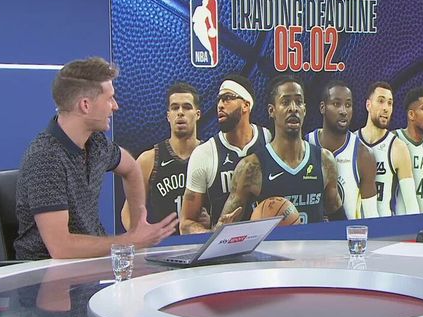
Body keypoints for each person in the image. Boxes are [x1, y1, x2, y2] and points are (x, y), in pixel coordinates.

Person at [15, 57, 178, 260]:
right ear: (85, 105)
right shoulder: (46, 158)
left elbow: (131, 168)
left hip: (91, 264)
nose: (115, 106)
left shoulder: (96, 142)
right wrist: (132, 241)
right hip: (44, 271)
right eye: (109, 99)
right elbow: (61, 248)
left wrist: (138, 225)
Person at [216, 75, 343, 226]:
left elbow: (339, 218)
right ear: (272, 111)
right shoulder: (251, 167)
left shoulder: (325, 161)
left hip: (313, 242)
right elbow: (224, 226)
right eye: (285, 102)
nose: (293, 108)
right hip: (271, 242)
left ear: (304, 110)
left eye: (298, 102)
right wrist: (221, 227)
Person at [180, 74, 271, 233]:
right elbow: (186, 224)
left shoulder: (269, 139)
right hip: (227, 245)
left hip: (269, 240)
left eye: (227, 98)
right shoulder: (204, 154)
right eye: (219, 100)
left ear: (246, 105)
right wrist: (213, 234)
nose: (220, 105)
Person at [120, 82, 204, 235]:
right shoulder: (149, 159)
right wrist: (144, 235)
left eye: (187, 107)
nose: (180, 113)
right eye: (175, 108)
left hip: (203, 241)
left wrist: (213, 222)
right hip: (165, 245)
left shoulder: (211, 154)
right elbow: (129, 212)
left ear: (197, 114)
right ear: (168, 116)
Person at [307, 80, 378, 219]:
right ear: (322, 107)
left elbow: (371, 216)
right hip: (311, 232)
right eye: (336, 104)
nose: (343, 111)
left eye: (348, 105)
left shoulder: (363, 155)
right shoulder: (306, 144)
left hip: (346, 232)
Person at [358, 81, 419, 216]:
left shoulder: (398, 147)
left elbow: (411, 206)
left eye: (390, 103)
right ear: (368, 105)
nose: (386, 108)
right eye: (381, 101)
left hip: (383, 226)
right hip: (352, 226)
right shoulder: (352, 142)